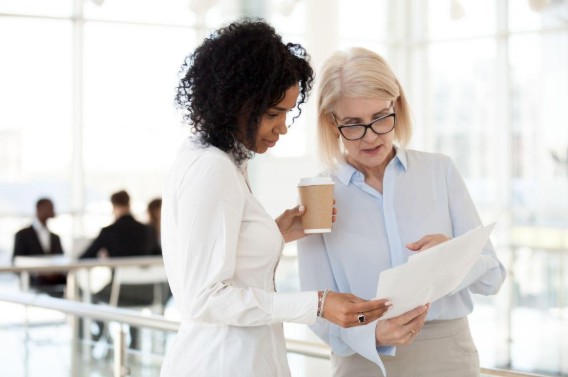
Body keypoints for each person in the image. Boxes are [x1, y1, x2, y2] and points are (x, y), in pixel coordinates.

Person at [160, 19, 391, 377]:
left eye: (287, 112)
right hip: (221, 364)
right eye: (273, 114)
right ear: (236, 103)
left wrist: (276, 231)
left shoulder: (216, 159)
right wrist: (318, 304)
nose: (283, 127)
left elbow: (221, 257)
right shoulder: (212, 169)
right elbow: (203, 299)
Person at [297, 47, 507, 377]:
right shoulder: (319, 195)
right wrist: (370, 334)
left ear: (397, 106)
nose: (371, 137)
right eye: (353, 124)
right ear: (331, 122)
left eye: (381, 118)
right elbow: (314, 305)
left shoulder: (440, 171)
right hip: (363, 362)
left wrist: (451, 257)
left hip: (447, 356)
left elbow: (493, 276)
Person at [80, 189, 156, 348]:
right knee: (132, 303)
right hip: (149, 292)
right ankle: (134, 342)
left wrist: (104, 257)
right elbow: (156, 258)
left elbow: (85, 257)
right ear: (129, 204)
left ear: (113, 206)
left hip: (119, 292)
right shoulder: (147, 230)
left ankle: (99, 334)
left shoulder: (109, 231)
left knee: (90, 298)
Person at [13, 197, 67, 295]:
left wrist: (54, 273)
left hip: (57, 286)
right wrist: (39, 274)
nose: (53, 211)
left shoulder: (55, 237)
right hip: (33, 286)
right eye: (50, 207)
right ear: (39, 209)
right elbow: (16, 262)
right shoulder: (22, 235)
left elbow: (62, 259)